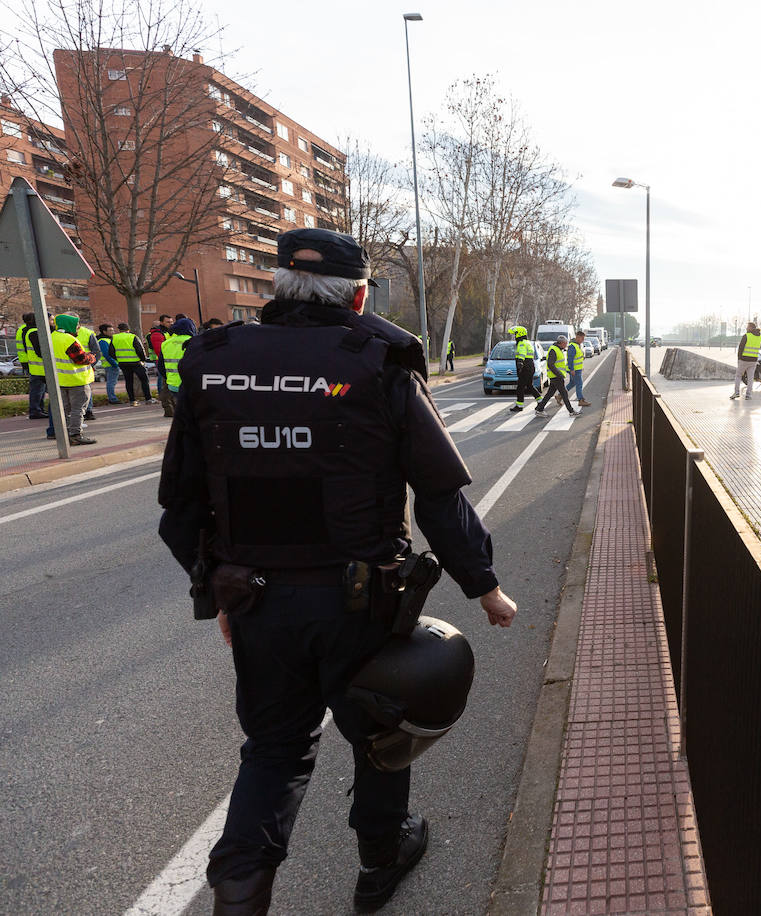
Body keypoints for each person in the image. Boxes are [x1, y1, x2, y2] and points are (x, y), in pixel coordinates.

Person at [158, 228, 519, 915]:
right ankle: (380, 862)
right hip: (361, 604)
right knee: (380, 737)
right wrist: (486, 588)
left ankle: (238, 898)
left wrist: (223, 594)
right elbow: (438, 496)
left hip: (259, 600)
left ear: (276, 289)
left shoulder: (212, 361)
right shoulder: (377, 359)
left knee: (274, 751)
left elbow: (180, 506)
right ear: (358, 295)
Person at [28, 313, 98, 445]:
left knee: (64, 410)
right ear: (69, 325)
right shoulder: (69, 339)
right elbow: (81, 359)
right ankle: (76, 435)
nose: (78, 328)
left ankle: (64, 435)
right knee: (78, 409)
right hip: (76, 380)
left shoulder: (50, 337)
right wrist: (91, 357)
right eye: (76, 325)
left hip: (58, 381)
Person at [159, 317, 196, 418]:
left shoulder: (166, 343)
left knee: (182, 410)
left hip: (173, 385)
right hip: (192, 384)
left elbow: (161, 366)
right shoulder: (194, 341)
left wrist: (169, 378)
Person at [112, 323, 154, 406]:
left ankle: (132, 401)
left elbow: (111, 352)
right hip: (136, 362)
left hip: (123, 363)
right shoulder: (133, 337)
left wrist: (119, 358)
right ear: (128, 329)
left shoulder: (114, 338)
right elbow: (139, 349)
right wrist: (143, 359)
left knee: (129, 381)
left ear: (119, 330)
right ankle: (148, 399)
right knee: (144, 380)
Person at [536, 334, 577, 418]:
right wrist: (559, 374)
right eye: (566, 343)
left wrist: (567, 371)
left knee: (550, 393)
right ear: (561, 343)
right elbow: (551, 364)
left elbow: (560, 364)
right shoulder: (554, 350)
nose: (566, 344)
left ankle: (539, 409)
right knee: (564, 393)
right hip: (556, 376)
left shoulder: (558, 349)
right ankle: (571, 411)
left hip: (556, 376)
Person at [17, 312, 48, 419]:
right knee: (38, 389)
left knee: (39, 389)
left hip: (29, 362)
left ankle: (38, 409)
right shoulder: (33, 331)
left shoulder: (23, 329)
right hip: (35, 364)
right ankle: (36, 410)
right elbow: (38, 350)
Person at [508, 325, 537, 413]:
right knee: (529, 386)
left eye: (515, 333)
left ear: (519, 333)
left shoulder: (521, 343)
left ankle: (519, 406)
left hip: (525, 368)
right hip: (530, 366)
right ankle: (540, 401)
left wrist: (520, 363)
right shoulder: (527, 342)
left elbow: (522, 353)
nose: (515, 336)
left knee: (520, 387)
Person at [731, 321, 761, 400]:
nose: (746, 328)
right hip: (754, 360)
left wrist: (739, 359)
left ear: (751, 328)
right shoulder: (759, 337)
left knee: (738, 375)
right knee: (750, 378)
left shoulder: (746, 336)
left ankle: (737, 392)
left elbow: (740, 348)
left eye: (747, 327)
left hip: (744, 360)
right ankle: (748, 395)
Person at [147, 314, 174, 399]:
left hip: (169, 359)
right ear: (161, 322)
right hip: (161, 359)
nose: (171, 323)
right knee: (162, 378)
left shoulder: (169, 331)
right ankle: (161, 395)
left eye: (171, 322)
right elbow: (159, 350)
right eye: (168, 322)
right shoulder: (157, 333)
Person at [97, 323, 121, 403]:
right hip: (110, 365)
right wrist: (115, 364)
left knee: (112, 382)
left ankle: (112, 398)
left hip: (111, 364)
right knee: (111, 382)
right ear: (104, 332)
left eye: (113, 330)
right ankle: (112, 399)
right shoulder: (103, 341)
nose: (113, 332)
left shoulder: (107, 340)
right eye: (110, 330)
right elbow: (107, 355)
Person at [568, 330, 590, 408]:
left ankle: (560, 396)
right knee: (579, 384)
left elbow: (578, 358)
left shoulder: (577, 345)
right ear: (578, 337)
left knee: (572, 383)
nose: (583, 340)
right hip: (575, 370)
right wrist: (572, 369)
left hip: (578, 369)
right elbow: (570, 359)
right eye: (582, 338)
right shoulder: (572, 346)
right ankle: (580, 400)